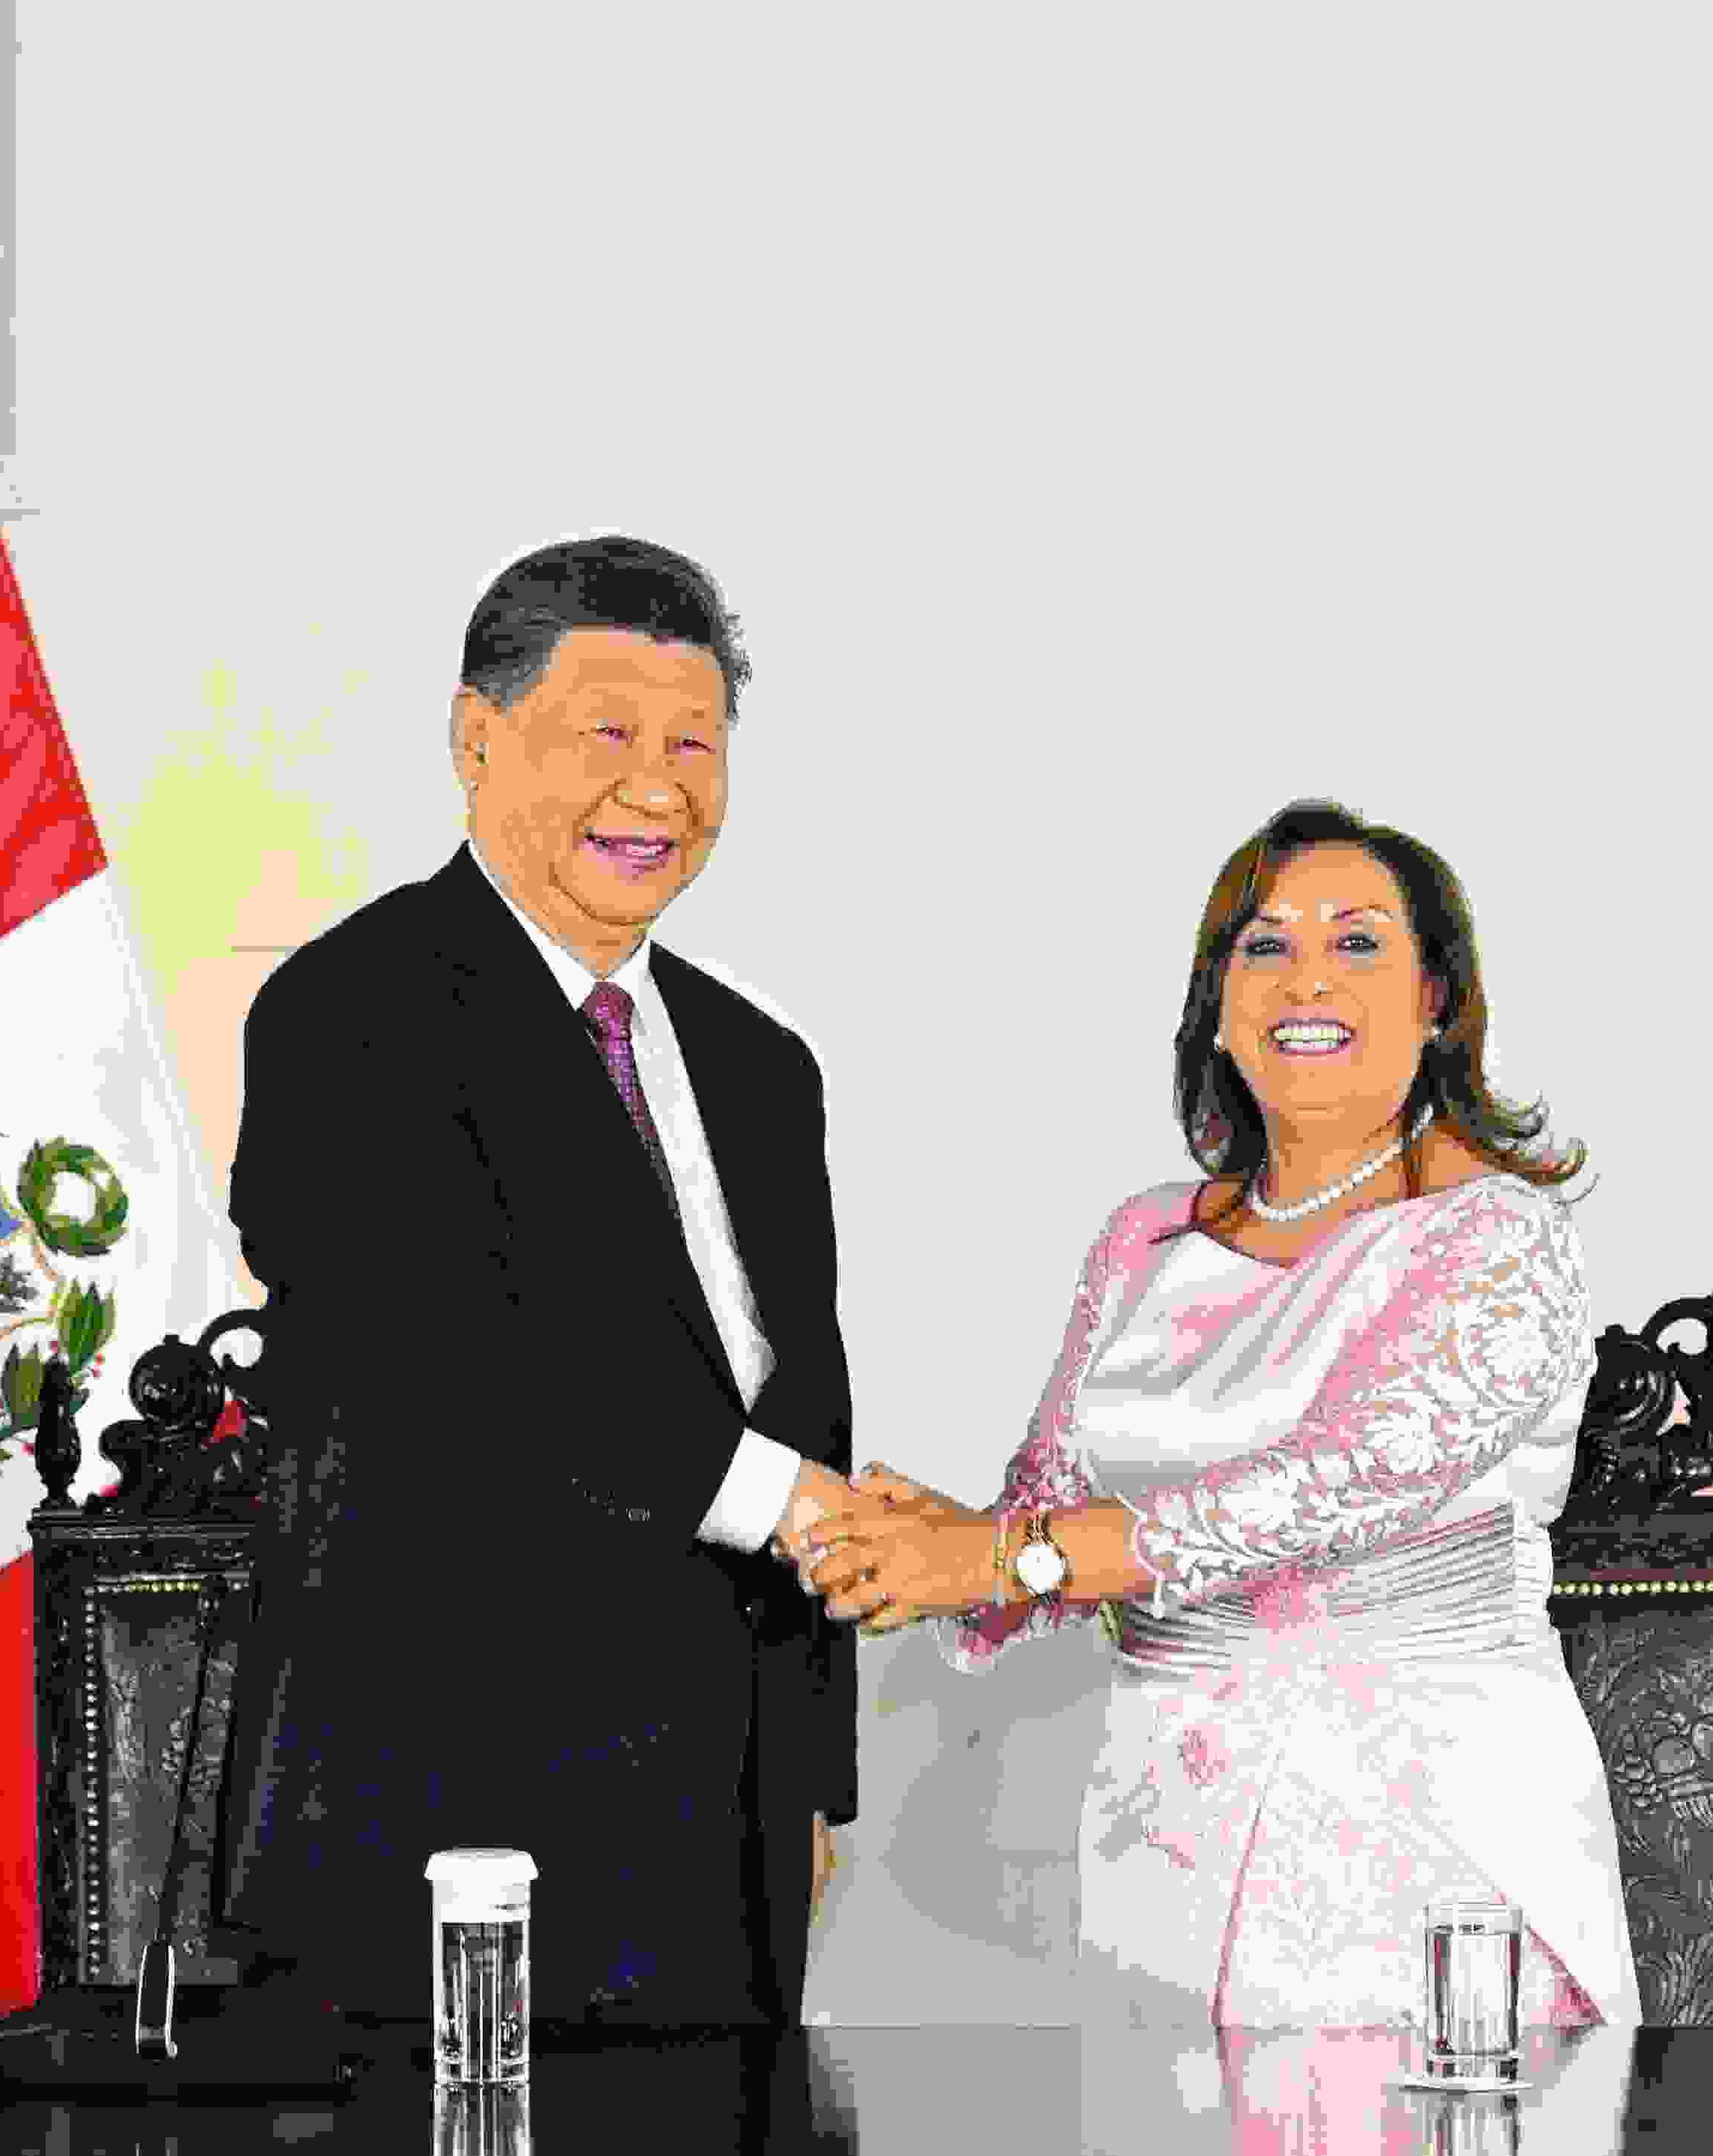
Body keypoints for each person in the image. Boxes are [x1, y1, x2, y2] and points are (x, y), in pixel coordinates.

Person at [798, 798, 1640, 2036]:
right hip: (1165, 1834)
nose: (1307, 977)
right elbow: (1047, 1513)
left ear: (1437, 999)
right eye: (1265, 944)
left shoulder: (1502, 1235)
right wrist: (923, 1543)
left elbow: (1332, 1485)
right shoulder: (1143, 1239)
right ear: (1221, 997)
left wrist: (998, 1555)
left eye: (1358, 942)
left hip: (1431, 1828)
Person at [218, 537, 857, 2029]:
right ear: (476, 738)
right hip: (447, 1830)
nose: (658, 790)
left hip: (727, 1855)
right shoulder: (348, 1015)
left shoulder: (763, 1068)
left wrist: (815, 1779)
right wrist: (797, 1506)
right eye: (607, 734)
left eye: (694, 745)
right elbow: (458, 1368)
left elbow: (807, 1401)